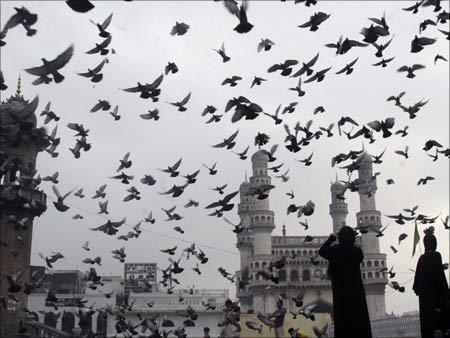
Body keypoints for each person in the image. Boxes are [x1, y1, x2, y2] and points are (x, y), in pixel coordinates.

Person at [318, 226, 372, 338]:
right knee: (359, 320)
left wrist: (332, 237)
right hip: (356, 293)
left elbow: (322, 251)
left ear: (340, 237)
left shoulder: (334, 251)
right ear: (352, 238)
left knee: (343, 322)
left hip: (341, 293)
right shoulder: (357, 251)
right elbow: (360, 257)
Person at [413, 227, 449, 338]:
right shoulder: (436, 256)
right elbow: (440, 279)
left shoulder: (421, 259)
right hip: (437, 302)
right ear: (434, 244)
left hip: (425, 305)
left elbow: (416, 287)